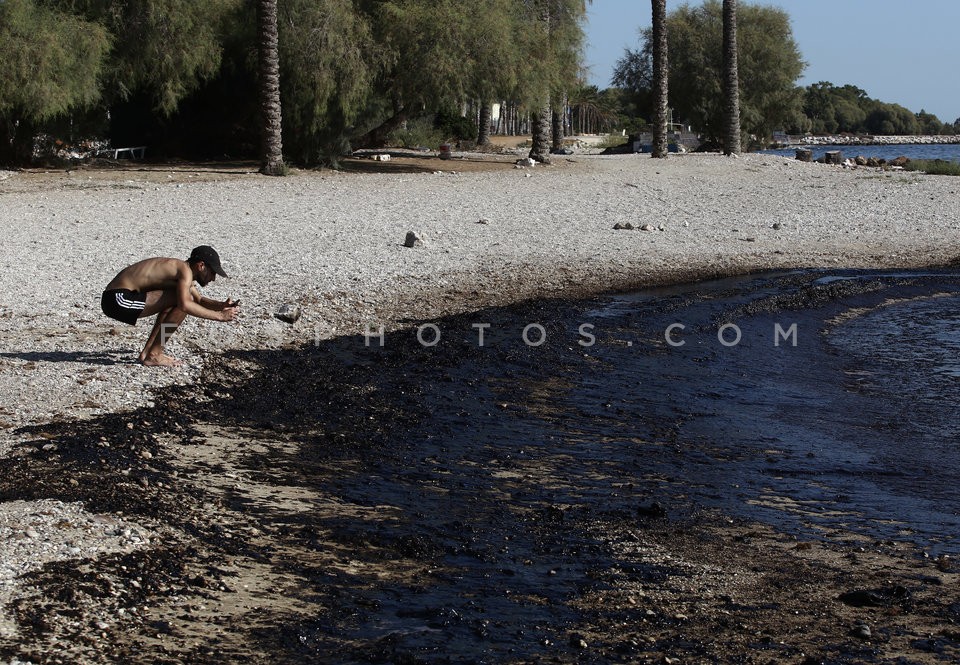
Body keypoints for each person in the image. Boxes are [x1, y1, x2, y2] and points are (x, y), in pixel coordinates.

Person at [101, 245, 239, 367]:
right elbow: (186, 305)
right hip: (117, 299)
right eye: (213, 272)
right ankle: (154, 355)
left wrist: (221, 306)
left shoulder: (183, 273)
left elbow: (199, 300)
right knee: (182, 301)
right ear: (201, 265)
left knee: (180, 299)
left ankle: (148, 353)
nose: (213, 278)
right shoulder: (183, 271)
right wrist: (219, 316)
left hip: (116, 298)